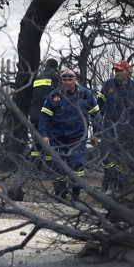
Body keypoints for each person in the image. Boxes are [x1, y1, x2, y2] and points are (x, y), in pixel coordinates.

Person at [36, 68, 100, 200]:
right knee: (57, 166)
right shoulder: (54, 95)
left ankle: (75, 192)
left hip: (78, 138)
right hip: (57, 138)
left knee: (77, 165)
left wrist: (96, 134)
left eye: (70, 79)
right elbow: (44, 117)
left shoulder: (85, 95)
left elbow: (96, 115)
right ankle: (60, 193)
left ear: (75, 80)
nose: (67, 82)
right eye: (64, 79)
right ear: (61, 80)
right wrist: (44, 135)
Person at [96, 59, 134, 195]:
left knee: (126, 159)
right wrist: (96, 127)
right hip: (110, 128)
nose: (117, 73)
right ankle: (108, 185)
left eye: (120, 70)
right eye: (116, 70)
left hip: (129, 129)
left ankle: (122, 188)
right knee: (107, 157)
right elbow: (99, 107)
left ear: (128, 72)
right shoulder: (109, 85)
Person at [27, 58, 60, 163]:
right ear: (56, 67)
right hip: (46, 114)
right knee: (50, 139)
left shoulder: (38, 77)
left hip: (34, 112)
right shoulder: (54, 77)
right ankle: (49, 166)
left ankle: (35, 165)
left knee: (36, 139)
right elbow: (59, 94)